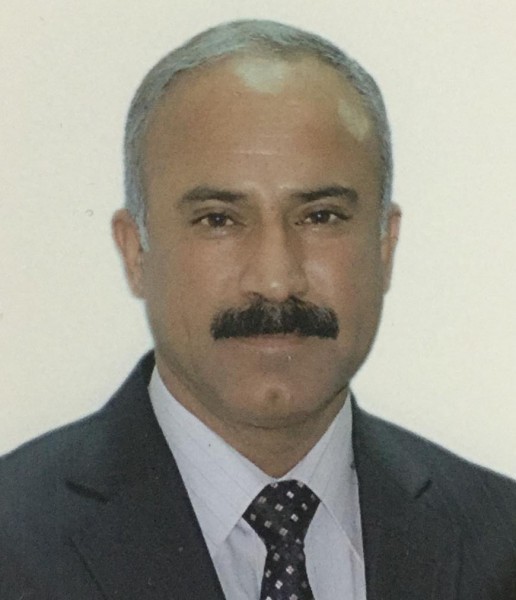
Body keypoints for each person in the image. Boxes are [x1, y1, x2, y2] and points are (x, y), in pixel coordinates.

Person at [1, 19, 515, 600]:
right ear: (135, 251)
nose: (275, 281)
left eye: (320, 216)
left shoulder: (500, 543)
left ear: (384, 246)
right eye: (219, 219)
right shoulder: (14, 542)